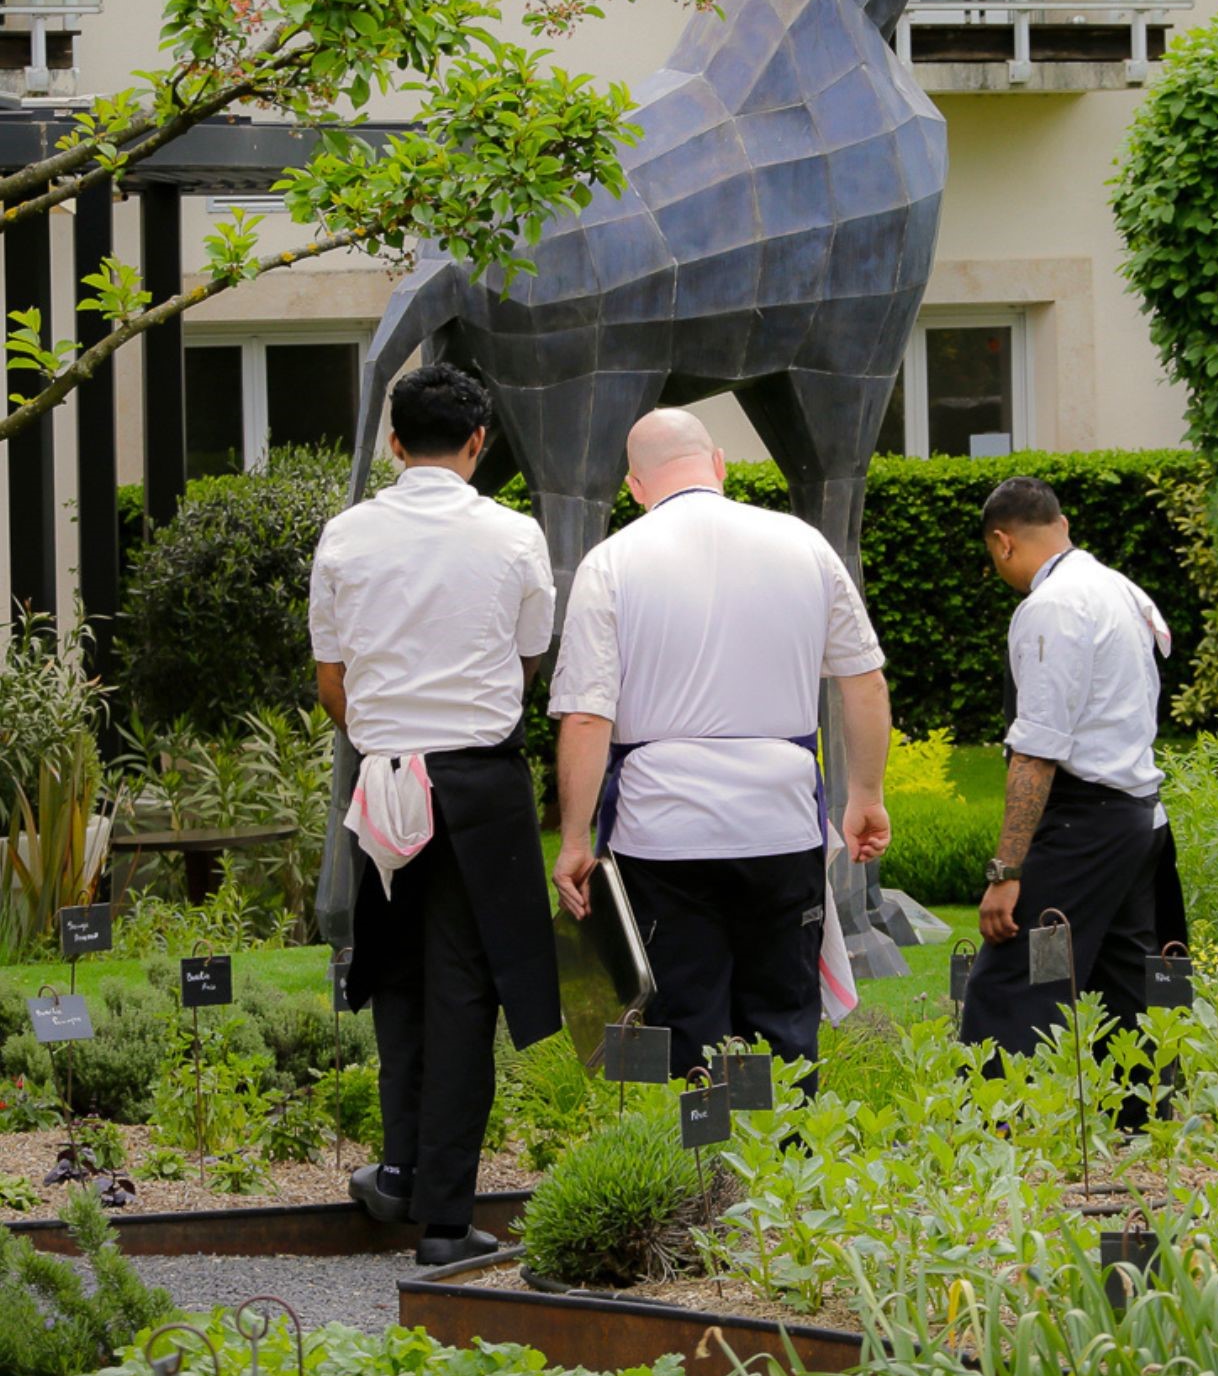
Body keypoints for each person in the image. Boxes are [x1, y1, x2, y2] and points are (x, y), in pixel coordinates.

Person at [548, 408, 892, 1081]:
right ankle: (786, 1173)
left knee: (684, 1030)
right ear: (720, 466)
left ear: (635, 487)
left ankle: (702, 1183)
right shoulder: (804, 546)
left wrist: (573, 840)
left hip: (663, 833)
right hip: (781, 820)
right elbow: (864, 681)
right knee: (786, 1025)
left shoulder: (611, 562)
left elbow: (587, 719)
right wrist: (867, 796)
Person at [309, 364, 560, 1266]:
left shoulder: (345, 535)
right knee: (463, 993)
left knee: (395, 981)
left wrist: (392, 738)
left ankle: (402, 1173)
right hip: (479, 786)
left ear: (392, 442)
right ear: (479, 444)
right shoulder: (514, 534)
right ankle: (445, 1224)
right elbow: (531, 659)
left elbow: (331, 680)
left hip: (383, 781)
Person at [960, 475, 1186, 1064]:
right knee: (1127, 991)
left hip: (1084, 824)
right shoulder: (1118, 589)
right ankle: (1141, 1127)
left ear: (1003, 543)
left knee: (1011, 985)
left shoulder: (1052, 606)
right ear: (1061, 525)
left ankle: (993, 1135)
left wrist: (1006, 870)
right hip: (1139, 822)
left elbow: (1037, 750)